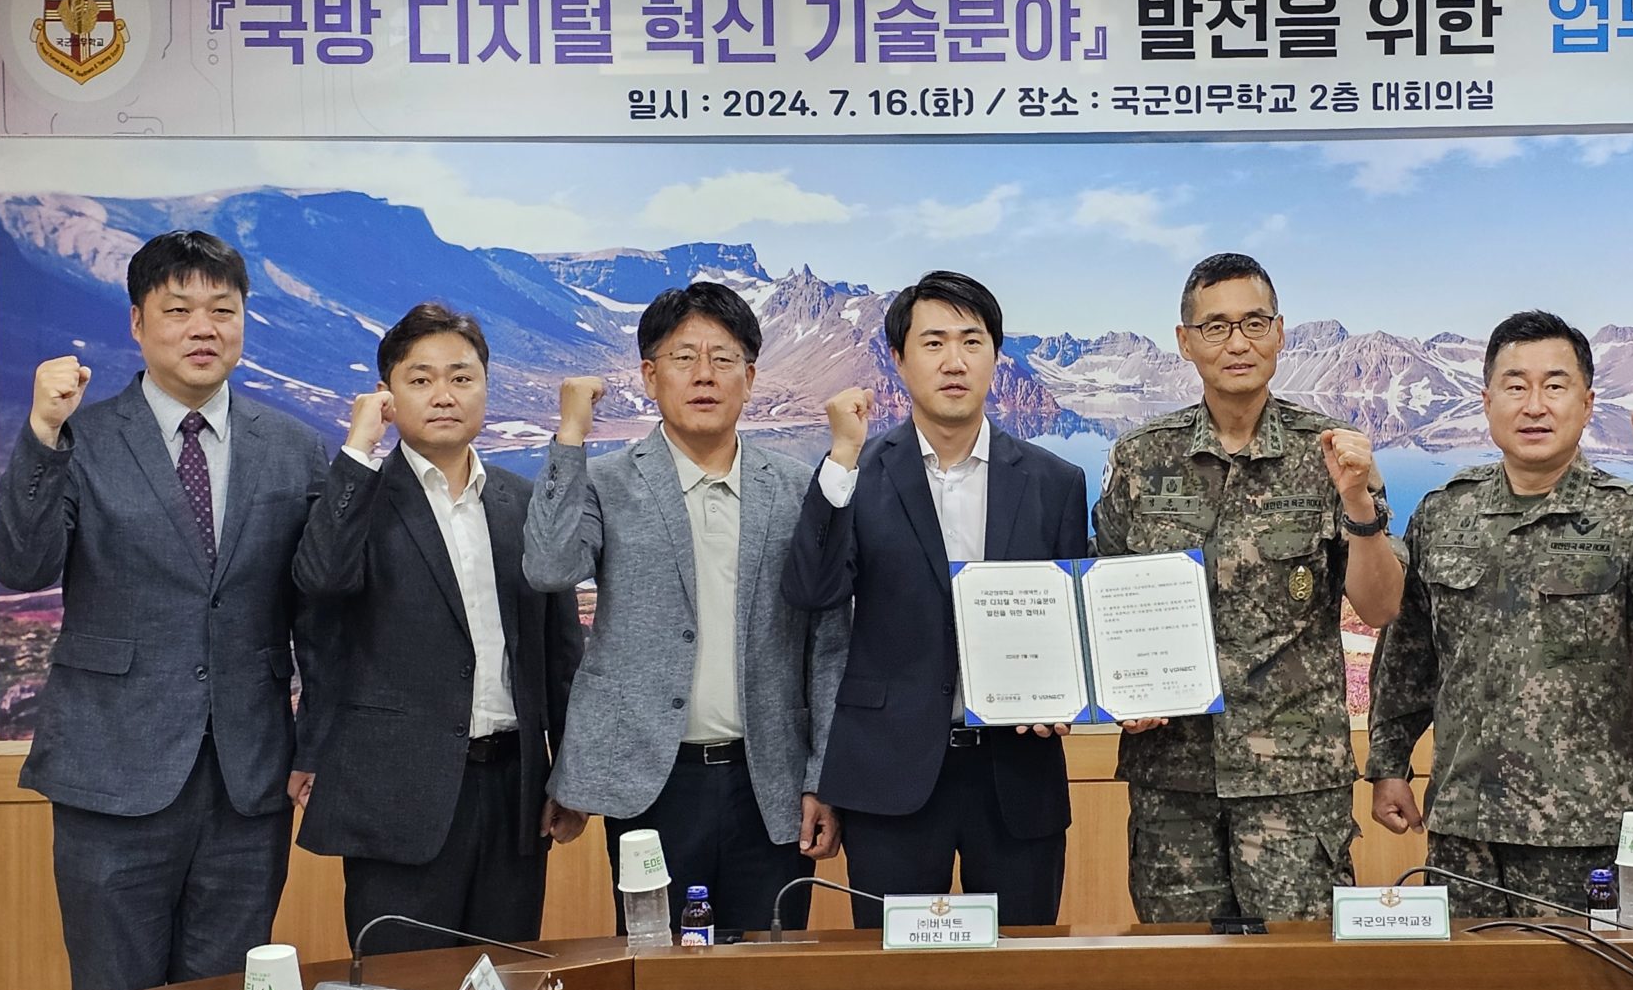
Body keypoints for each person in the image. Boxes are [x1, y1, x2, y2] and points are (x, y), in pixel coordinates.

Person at [0, 229, 329, 990]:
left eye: (222, 309)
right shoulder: (82, 439)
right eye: (178, 309)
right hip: (111, 774)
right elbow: (22, 565)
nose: (203, 327)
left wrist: (316, 738)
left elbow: (320, 614)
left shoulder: (295, 448)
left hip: (248, 782)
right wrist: (40, 434)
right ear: (137, 323)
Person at [1368, 311, 1633, 915]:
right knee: (1467, 978)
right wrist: (1388, 763)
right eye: (1515, 386)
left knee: (1582, 980)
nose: (1534, 405)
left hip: (1584, 828)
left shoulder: (1628, 514)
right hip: (1464, 828)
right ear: (1487, 402)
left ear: (1587, 405)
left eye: (1555, 386)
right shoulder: (1443, 514)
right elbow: (1408, 655)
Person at [524, 282, 846, 936]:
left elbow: (828, 643)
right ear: (650, 376)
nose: (704, 375)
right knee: (656, 973)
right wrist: (571, 435)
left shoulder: (796, 489)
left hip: (771, 783)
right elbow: (550, 567)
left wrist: (823, 776)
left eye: (723, 358)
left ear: (749, 378)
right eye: (683, 357)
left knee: (769, 970)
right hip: (651, 783)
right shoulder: (607, 481)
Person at [1094, 253, 1404, 924]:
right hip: (1172, 778)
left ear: (1280, 332)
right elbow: (1103, 602)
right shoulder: (1141, 459)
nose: (1238, 342)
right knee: (1180, 974)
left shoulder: (1332, 454)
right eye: (1216, 327)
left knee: (1297, 976)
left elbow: (1381, 605)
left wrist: (1358, 504)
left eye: (1254, 323)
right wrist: (1121, 692)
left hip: (1294, 781)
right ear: (1185, 341)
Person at [782, 271, 1087, 928]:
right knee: (896, 973)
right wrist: (841, 455)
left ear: (996, 357)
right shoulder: (855, 473)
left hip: (1017, 774)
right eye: (934, 342)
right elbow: (812, 589)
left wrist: (1063, 694)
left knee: (1023, 964)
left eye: (972, 341)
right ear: (898, 360)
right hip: (888, 773)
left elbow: (1069, 628)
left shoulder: (1055, 481)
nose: (955, 360)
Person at [292, 303, 585, 954]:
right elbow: (319, 583)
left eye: (461, 377)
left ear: (486, 387)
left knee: (504, 989)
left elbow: (561, 654)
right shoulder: (358, 496)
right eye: (420, 379)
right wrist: (357, 449)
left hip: (513, 795)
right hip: (397, 798)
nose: (444, 395)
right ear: (387, 395)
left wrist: (569, 772)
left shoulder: (521, 501)